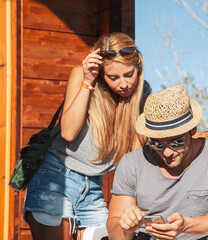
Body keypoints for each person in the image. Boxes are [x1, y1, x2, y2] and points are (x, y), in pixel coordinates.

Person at [23, 32, 151, 240]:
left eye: (129, 74)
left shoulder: (143, 92)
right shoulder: (81, 76)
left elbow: (135, 154)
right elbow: (68, 132)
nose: (124, 84)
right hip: (56, 179)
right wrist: (88, 80)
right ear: (101, 72)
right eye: (113, 77)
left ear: (138, 67)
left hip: (93, 188)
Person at [107, 85, 208, 240]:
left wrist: (186, 225)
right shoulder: (131, 163)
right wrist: (126, 228)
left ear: (192, 130)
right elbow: (114, 232)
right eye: (157, 144)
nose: (167, 152)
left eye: (176, 142)